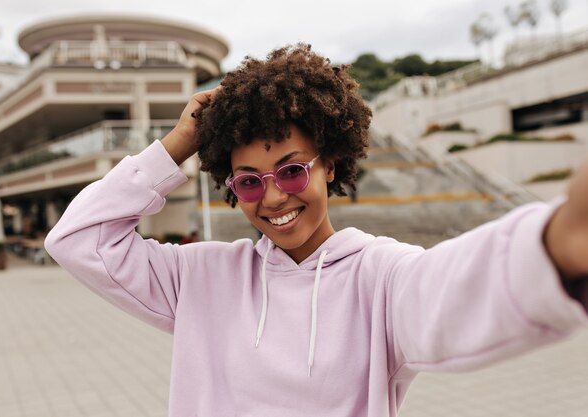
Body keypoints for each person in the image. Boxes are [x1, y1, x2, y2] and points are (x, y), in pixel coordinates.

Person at [44, 44, 588, 417]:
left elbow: (451, 291)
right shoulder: (198, 278)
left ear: (329, 164)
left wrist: (554, 243)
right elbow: (78, 240)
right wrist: (175, 146)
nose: (275, 196)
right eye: (250, 181)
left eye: (291, 169)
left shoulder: (381, 277)